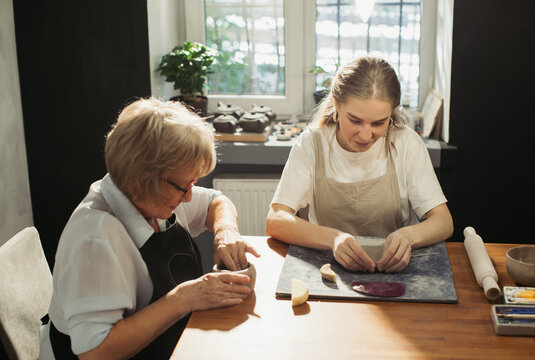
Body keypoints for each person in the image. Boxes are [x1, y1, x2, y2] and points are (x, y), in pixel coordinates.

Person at [39, 97, 260, 359]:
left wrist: (225, 230)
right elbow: (95, 352)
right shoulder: (96, 238)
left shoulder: (153, 195)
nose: (189, 197)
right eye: (183, 186)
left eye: (193, 183)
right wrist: (184, 299)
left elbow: (216, 201)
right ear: (145, 179)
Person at [266, 56, 453, 274]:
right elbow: (276, 220)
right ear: (336, 105)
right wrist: (333, 238)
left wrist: (408, 236)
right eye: (355, 121)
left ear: (391, 113)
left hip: (391, 270)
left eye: (378, 123)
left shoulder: (405, 143)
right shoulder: (312, 143)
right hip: (327, 271)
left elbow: (443, 221)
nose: (365, 135)